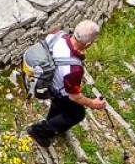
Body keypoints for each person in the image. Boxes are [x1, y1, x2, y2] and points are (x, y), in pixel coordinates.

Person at [26, 20, 105, 148]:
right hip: (60, 92)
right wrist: (93, 103)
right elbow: (74, 96)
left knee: (58, 108)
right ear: (88, 44)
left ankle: (53, 122)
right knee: (77, 114)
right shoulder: (74, 70)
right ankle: (39, 131)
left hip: (49, 83)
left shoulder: (56, 35)